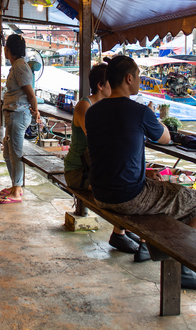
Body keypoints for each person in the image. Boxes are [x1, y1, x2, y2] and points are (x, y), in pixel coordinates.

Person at [85, 55, 196, 289]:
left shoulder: (93, 111)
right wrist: (154, 117)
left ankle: (155, 247)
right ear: (128, 78)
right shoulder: (139, 111)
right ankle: (185, 267)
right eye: (139, 77)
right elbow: (164, 138)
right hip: (128, 198)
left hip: (100, 194)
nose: (140, 81)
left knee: (157, 184)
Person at [62, 63, 138, 252]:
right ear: (100, 85)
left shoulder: (103, 106)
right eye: (110, 83)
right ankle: (119, 233)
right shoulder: (84, 106)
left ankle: (124, 229)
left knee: (124, 181)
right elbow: (98, 141)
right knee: (118, 187)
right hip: (78, 170)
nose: (115, 87)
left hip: (92, 167)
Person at [0, 34, 40, 204]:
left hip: (18, 115)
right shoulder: (17, 65)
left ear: (8, 50)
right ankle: (16, 186)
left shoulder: (20, 66)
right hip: (13, 114)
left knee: (15, 153)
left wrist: (35, 111)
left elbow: (31, 94)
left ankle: (16, 190)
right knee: (7, 153)